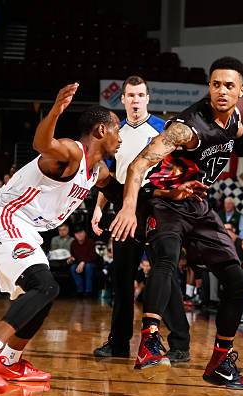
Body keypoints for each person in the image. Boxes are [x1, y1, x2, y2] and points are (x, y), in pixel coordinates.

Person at [110, 56, 243, 389]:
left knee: (238, 279)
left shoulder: (235, 120)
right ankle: (150, 342)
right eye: (216, 84)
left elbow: (238, 144)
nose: (222, 91)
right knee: (167, 258)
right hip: (165, 200)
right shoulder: (187, 127)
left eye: (229, 86)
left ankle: (220, 362)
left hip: (198, 204)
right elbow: (138, 165)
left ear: (241, 90)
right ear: (209, 87)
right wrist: (129, 207)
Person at [0, 83, 122, 393]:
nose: (120, 136)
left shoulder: (96, 171)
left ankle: (10, 360)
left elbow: (118, 193)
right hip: (2, 216)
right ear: (100, 130)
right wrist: (56, 110)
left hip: (24, 228)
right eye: (117, 129)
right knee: (45, 285)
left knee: (42, 296)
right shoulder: (72, 152)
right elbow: (43, 143)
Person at [91, 75, 192, 362]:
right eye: (130, 95)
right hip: (123, 205)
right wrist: (99, 208)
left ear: (148, 98)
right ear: (122, 100)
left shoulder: (164, 129)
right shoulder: (115, 133)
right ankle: (119, 343)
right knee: (122, 277)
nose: (135, 100)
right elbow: (107, 176)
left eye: (140, 95)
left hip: (158, 205)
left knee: (164, 273)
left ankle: (180, 343)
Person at [68, 226, 97, 296]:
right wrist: (71, 259)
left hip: (91, 263)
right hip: (79, 263)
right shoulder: (73, 243)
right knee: (73, 268)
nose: (79, 235)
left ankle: (88, 291)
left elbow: (93, 257)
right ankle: (80, 290)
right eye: (77, 233)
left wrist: (83, 262)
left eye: (81, 232)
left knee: (88, 267)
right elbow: (74, 255)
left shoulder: (91, 242)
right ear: (75, 235)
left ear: (85, 233)